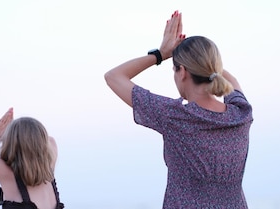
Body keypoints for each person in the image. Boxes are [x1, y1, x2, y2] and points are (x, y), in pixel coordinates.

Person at [104, 10, 253, 208]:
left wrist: (161, 54)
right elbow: (232, 81)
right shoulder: (241, 114)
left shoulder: (175, 116)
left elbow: (113, 76)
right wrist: (203, 60)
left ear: (182, 71)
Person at [0, 108, 65, 209]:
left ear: (12, 144)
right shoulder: (49, 166)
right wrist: (34, 133)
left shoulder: (7, 174)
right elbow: (50, 140)